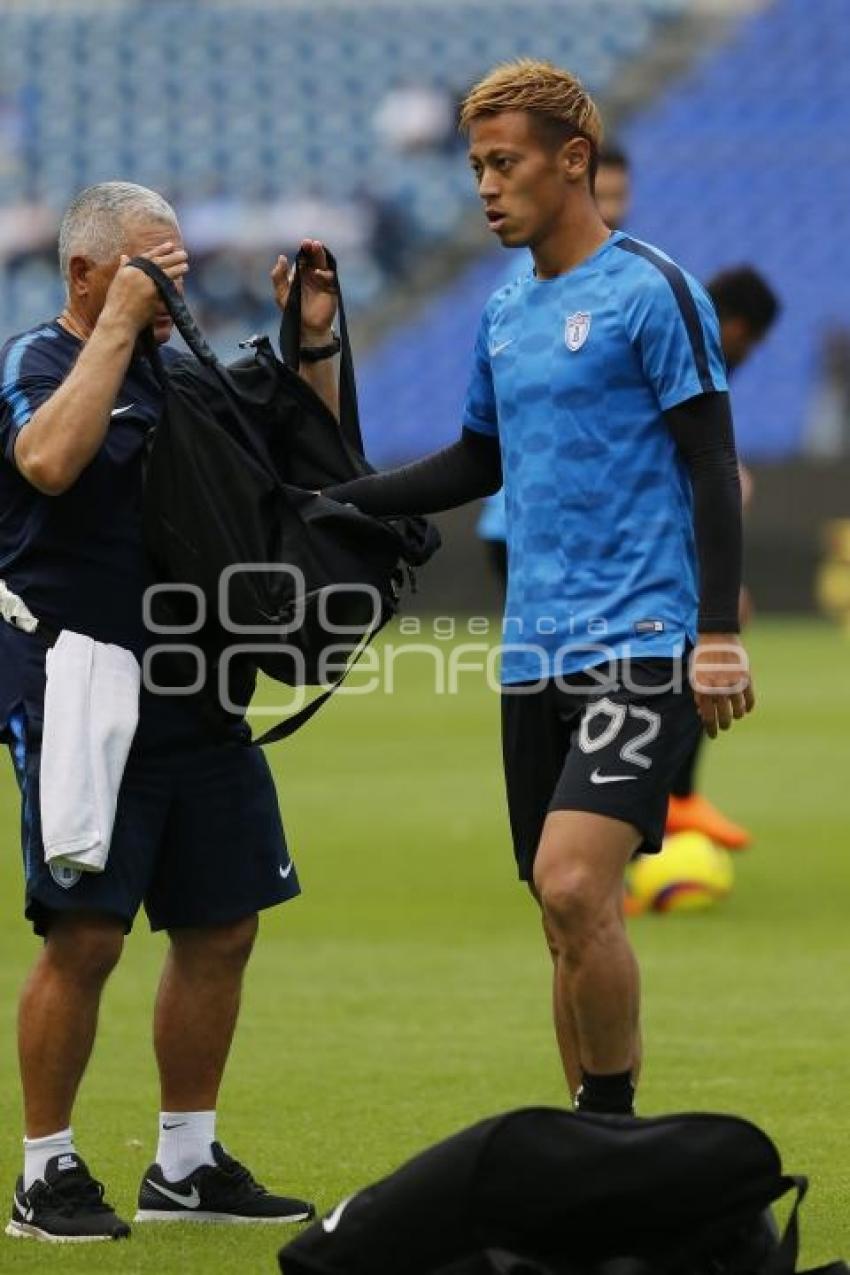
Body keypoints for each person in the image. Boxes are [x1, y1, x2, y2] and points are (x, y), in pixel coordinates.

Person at [325, 60, 754, 1115]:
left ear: (573, 162)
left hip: (640, 640)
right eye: (475, 165)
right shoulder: (506, 309)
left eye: (503, 162)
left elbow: (709, 460)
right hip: (532, 651)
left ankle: (610, 1129)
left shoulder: (653, 290)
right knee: (561, 914)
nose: (484, 185)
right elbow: (480, 459)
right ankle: (581, 1146)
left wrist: (715, 635)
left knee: (573, 881)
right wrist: (346, 498)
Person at [0, 182, 341, 1242]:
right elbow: (49, 463)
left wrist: (315, 344)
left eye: (180, 264)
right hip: (82, 684)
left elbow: (310, 465)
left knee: (222, 925)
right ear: (86, 274)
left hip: (200, 684)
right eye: (154, 265)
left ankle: (185, 1164)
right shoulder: (37, 361)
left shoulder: (185, 378)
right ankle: (43, 1173)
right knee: (87, 935)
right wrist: (117, 327)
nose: (175, 283)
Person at [476, 142, 632, 579]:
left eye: (622, 196)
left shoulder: (638, 283)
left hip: (595, 524)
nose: (614, 210)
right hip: (524, 522)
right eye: (605, 197)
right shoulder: (520, 288)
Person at [667, 265, 779, 849]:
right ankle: (657, 809)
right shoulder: (687, 353)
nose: (750, 354)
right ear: (736, 327)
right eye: (752, 341)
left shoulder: (681, 344)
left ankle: (674, 799)